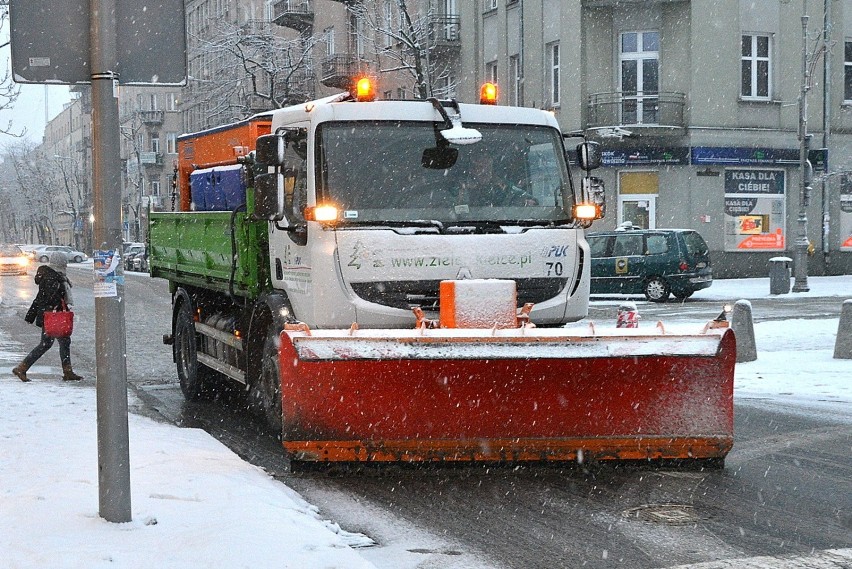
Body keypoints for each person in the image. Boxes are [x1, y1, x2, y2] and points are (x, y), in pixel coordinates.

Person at [12, 252, 83, 382]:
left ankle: (68, 372)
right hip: (52, 316)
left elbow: (40, 297)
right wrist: (57, 307)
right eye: (64, 262)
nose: (66, 264)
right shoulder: (52, 277)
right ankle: (22, 368)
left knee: (63, 341)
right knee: (46, 344)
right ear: (60, 263)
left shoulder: (54, 276)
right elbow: (47, 298)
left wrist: (31, 315)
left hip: (51, 315)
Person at [458, 154, 538, 207]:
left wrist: (523, 201)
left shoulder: (503, 185)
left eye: (487, 167)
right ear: (471, 170)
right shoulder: (459, 187)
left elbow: (532, 202)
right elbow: (449, 206)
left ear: (492, 167)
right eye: (479, 167)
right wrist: (460, 198)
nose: (483, 171)